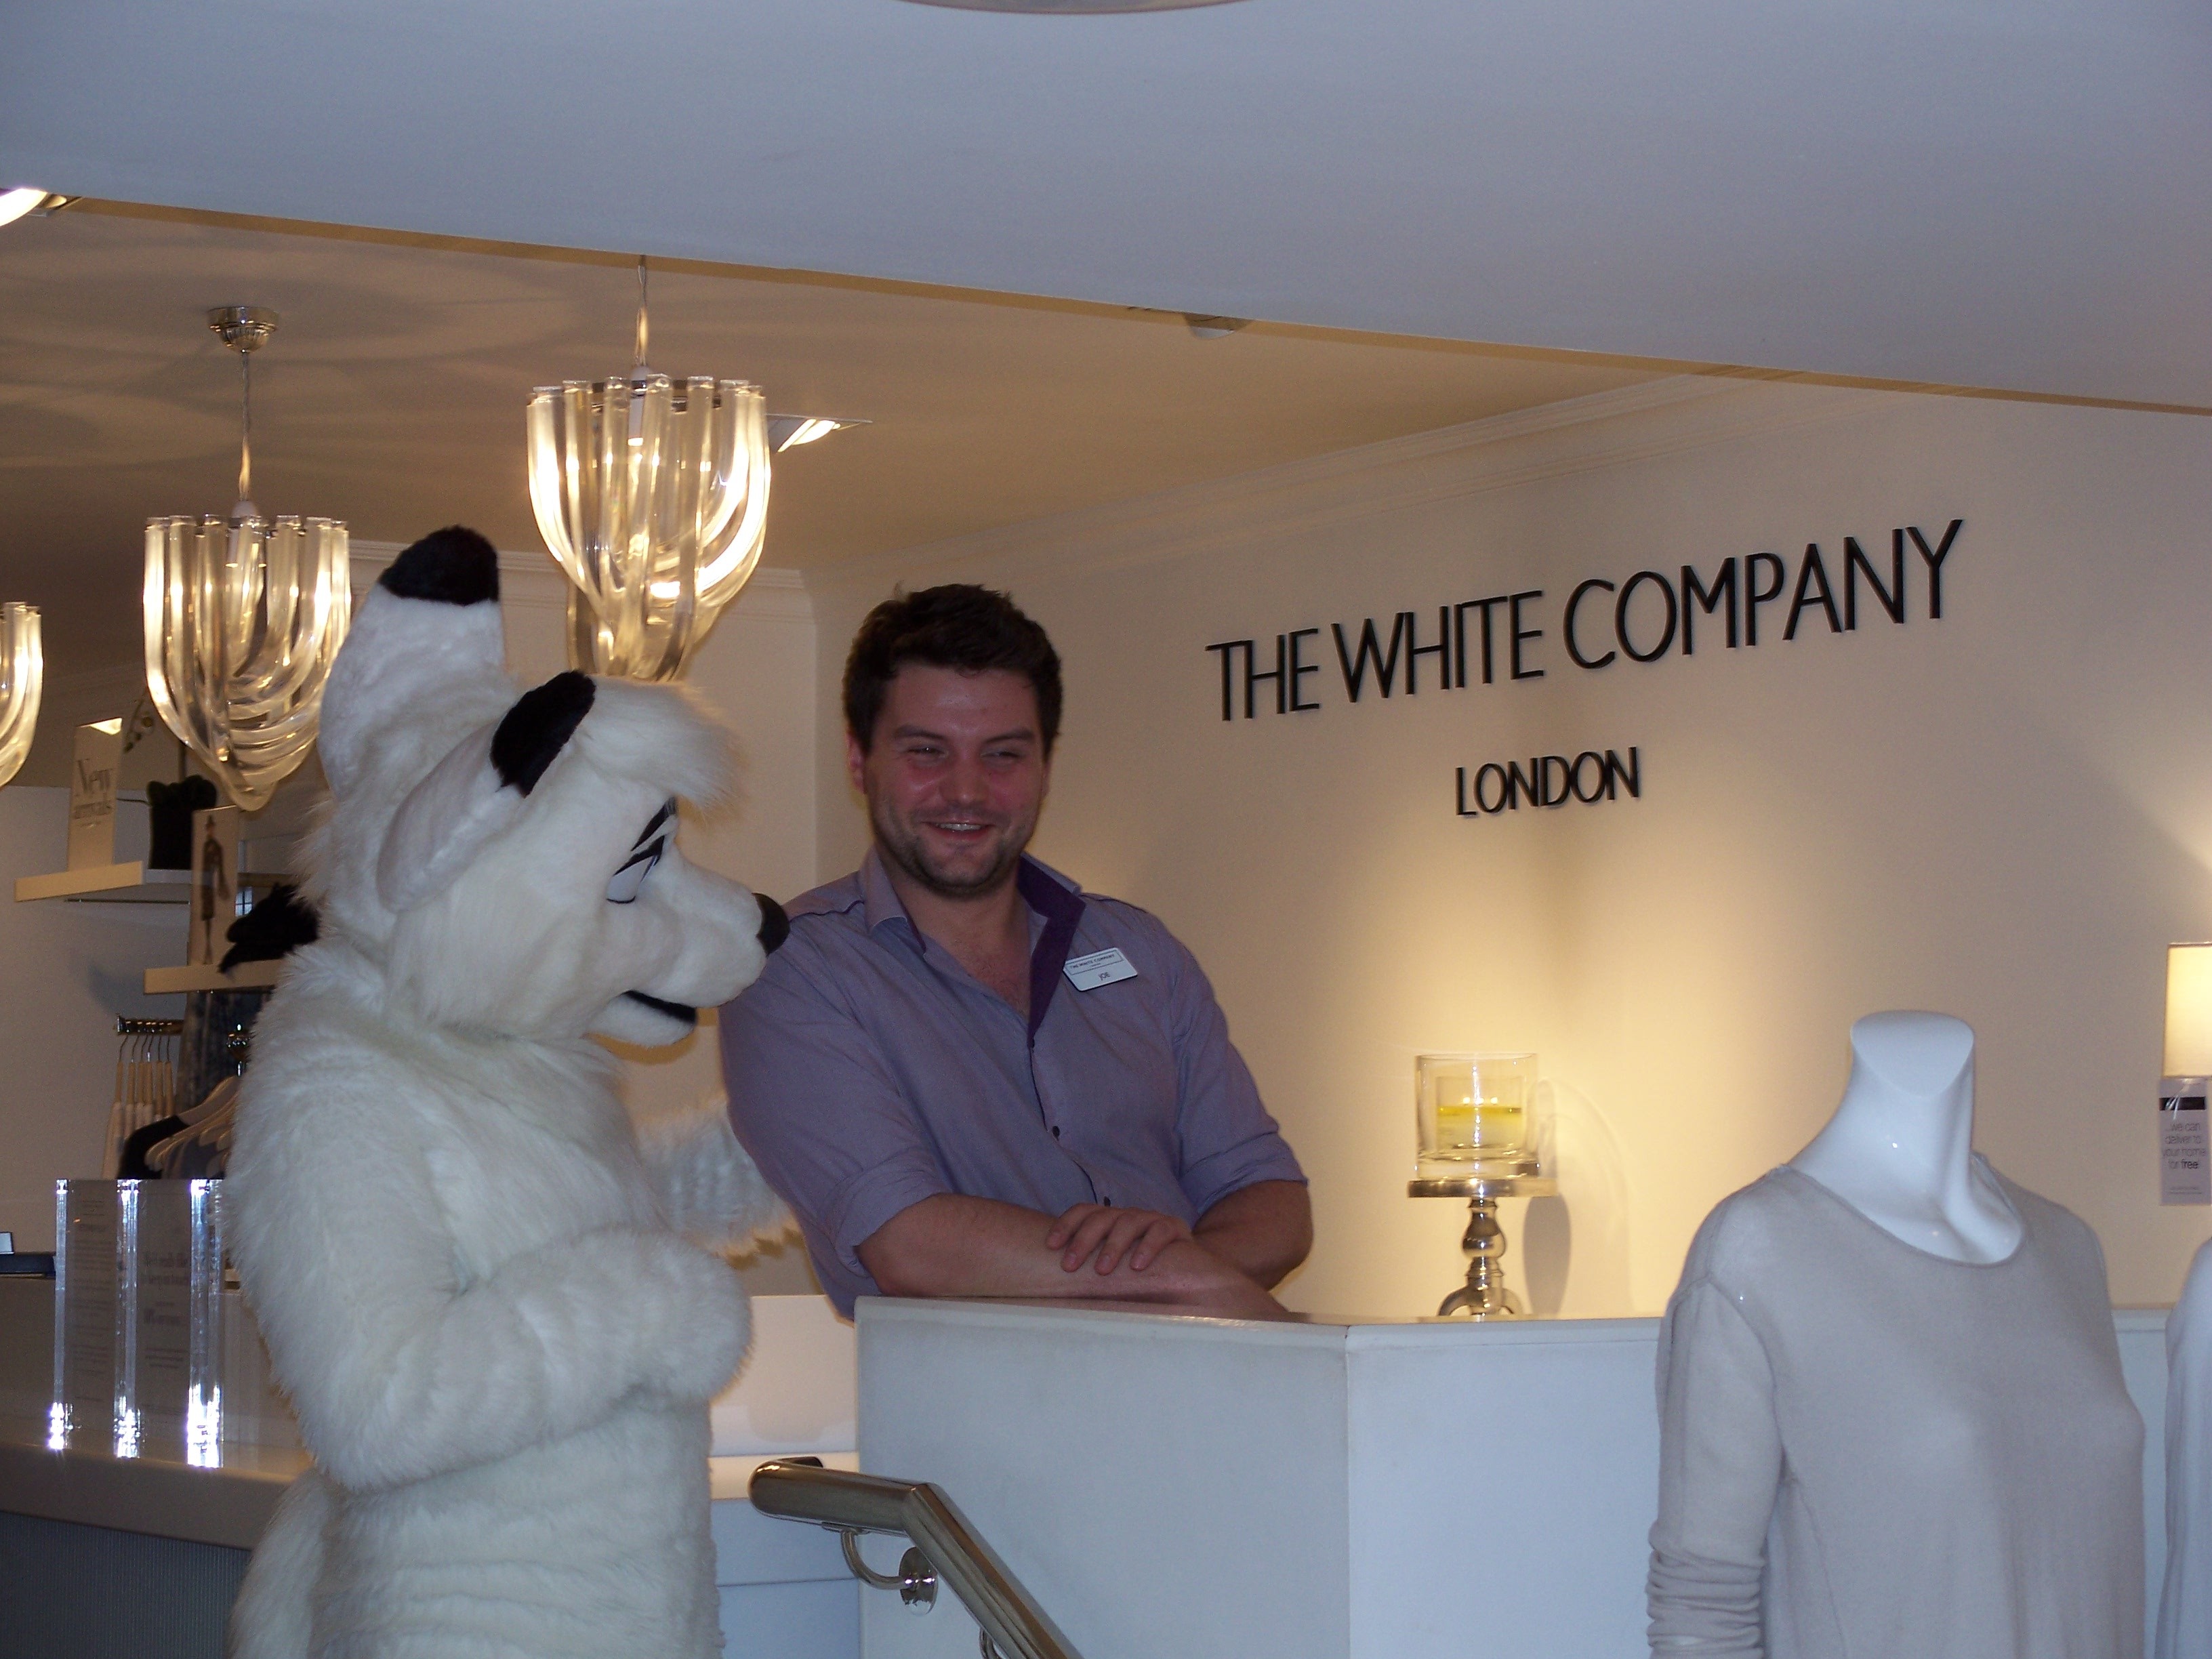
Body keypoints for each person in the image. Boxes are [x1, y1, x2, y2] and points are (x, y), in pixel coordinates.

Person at [720, 584, 1311, 1317]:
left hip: (1203, 1381)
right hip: (972, 1393)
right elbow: (910, 1246)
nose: (966, 791)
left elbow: (1274, 1201)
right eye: (927, 752)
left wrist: (1170, 1273)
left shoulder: (1139, 949)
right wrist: (1183, 1281)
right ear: (858, 759)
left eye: (1003, 755)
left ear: (1045, 768)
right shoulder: (794, 971)